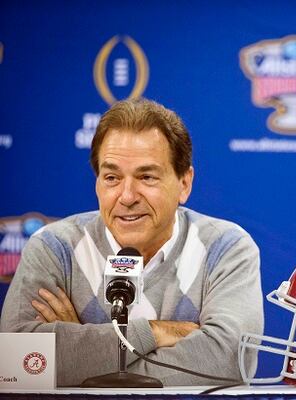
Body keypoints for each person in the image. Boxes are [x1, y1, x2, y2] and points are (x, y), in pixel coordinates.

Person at [0, 98, 263, 386]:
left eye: (147, 177)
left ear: (184, 184)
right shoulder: (54, 248)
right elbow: (15, 360)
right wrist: (152, 332)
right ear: (97, 182)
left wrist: (82, 357)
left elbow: (229, 361)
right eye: (112, 177)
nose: (126, 197)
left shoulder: (225, 248)